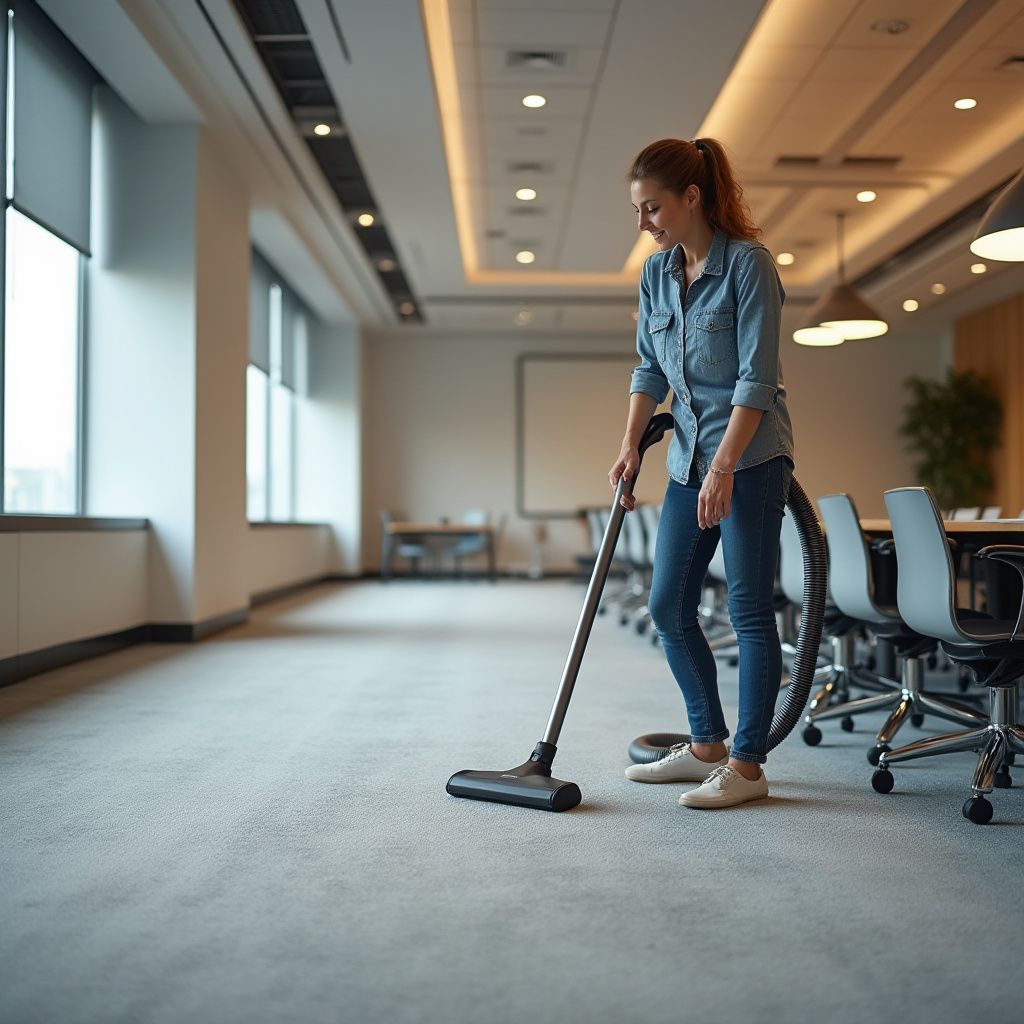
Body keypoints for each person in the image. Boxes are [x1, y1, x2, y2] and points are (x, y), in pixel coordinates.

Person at [609, 137, 794, 809]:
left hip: (751, 459)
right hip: (690, 461)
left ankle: (747, 767)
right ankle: (707, 744)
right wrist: (631, 444)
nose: (645, 223)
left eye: (652, 207)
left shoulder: (749, 267)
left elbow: (756, 381)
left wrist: (726, 467)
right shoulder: (658, 275)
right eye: (638, 210)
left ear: (691, 197)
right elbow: (649, 369)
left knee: (747, 608)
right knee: (667, 604)